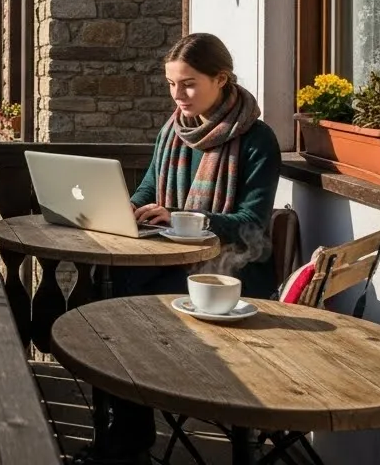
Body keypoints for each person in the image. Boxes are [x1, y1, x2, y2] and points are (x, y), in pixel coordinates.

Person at [82, 32, 281, 465]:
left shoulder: (256, 139)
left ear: (222, 78)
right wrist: (128, 211)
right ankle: (128, 431)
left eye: (188, 83)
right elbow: (150, 189)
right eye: (171, 84)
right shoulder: (173, 131)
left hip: (230, 273)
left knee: (125, 306)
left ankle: (128, 437)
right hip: (171, 260)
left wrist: (181, 219)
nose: (178, 94)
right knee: (100, 297)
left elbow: (251, 223)